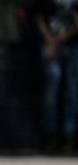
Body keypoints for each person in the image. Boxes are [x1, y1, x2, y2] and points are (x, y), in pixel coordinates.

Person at [37, 0, 78, 151]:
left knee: (72, 92)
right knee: (52, 85)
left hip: (73, 44)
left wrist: (62, 38)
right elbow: (38, 17)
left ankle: (70, 135)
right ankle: (51, 135)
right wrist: (51, 41)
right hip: (50, 43)